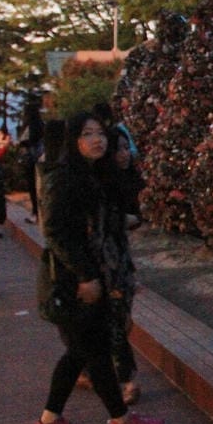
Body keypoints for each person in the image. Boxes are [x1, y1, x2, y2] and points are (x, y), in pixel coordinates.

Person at [32, 112, 166, 424]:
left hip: (99, 276)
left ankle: (50, 421)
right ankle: (121, 421)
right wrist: (85, 275)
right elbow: (56, 232)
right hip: (76, 281)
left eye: (101, 133)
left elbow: (104, 228)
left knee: (82, 351)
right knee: (93, 351)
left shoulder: (96, 176)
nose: (97, 140)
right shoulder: (65, 178)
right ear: (73, 140)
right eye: (88, 133)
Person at [77, 127, 144, 404]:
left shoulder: (125, 180)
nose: (123, 154)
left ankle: (85, 368)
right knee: (115, 323)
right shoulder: (93, 182)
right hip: (101, 263)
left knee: (120, 323)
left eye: (126, 147)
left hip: (120, 262)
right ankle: (127, 380)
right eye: (118, 149)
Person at [18, 101, 44, 224]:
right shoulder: (41, 125)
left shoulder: (30, 127)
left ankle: (36, 213)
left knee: (33, 188)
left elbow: (26, 142)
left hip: (31, 161)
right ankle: (39, 213)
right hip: (40, 160)